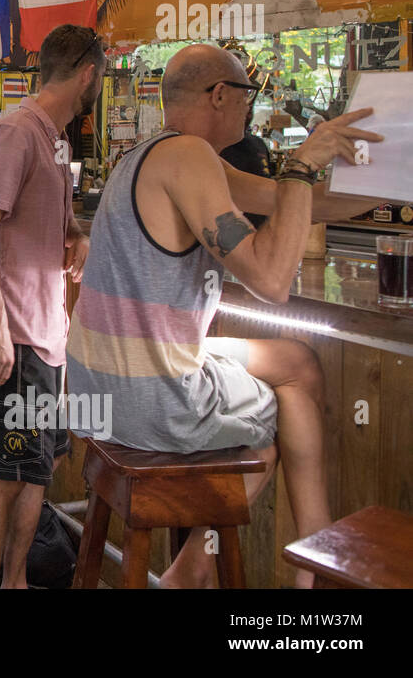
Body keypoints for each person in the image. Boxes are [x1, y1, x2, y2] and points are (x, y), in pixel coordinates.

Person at [66, 42, 382, 588]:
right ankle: (205, 574)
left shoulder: (155, 155)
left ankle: (315, 565)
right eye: (247, 96)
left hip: (95, 387)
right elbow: (271, 281)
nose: (250, 108)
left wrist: (390, 185)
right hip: (148, 395)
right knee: (271, 421)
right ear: (219, 94)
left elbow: (290, 199)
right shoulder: (188, 156)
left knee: (297, 363)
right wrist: (304, 160)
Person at [0, 24, 102, 589]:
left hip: (42, 333)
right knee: (3, 475)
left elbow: (35, 219)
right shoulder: (16, 132)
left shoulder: (49, 139)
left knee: (34, 474)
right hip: (15, 335)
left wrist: (75, 234)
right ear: (88, 75)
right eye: (101, 76)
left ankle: (15, 580)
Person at [220, 99, 273, 228]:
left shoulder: (257, 143)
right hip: (234, 230)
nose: (247, 115)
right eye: (244, 109)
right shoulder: (216, 146)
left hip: (260, 227)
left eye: (250, 111)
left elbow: (268, 177)